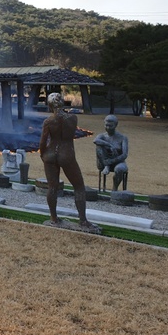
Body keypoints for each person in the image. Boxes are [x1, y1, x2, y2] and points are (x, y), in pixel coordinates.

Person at [39, 92, 101, 233]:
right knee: (79, 186)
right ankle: (83, 220)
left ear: (49, 105)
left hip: (50, 154)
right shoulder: (72, 118)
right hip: (66, 153)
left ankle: (54, 218)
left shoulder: (48, 121)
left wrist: (42, 154)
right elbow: (69, 135)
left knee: (52, 187)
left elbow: (43, 142)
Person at [94, 114, 129, 191]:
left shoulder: (122, 137)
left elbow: (124, 155)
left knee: (119, 169)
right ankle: (107, 166)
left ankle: (114, 189)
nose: (108, 128)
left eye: (110, 126)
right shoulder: (102, 136)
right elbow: (95, 141)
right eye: (106, 125)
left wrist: (111, 161)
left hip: (118, 162)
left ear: (116, 125)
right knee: (99, 146)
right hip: (103, 163)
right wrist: (109, 145)